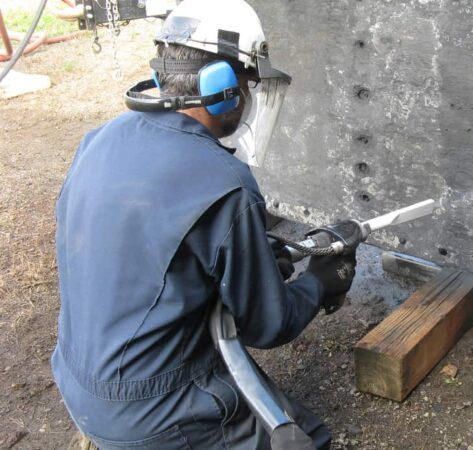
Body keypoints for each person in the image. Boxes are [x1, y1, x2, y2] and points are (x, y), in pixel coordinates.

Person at [51, 0, 355, 448]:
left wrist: (253, 259)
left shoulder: (100, 139)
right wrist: (323, 282)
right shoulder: (225, 183)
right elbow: (269, 326)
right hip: (149, 409)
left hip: (78, 376)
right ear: (225, 88)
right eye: (248, 83)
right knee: (308, 440)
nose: (250, 98)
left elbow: (142, 255)